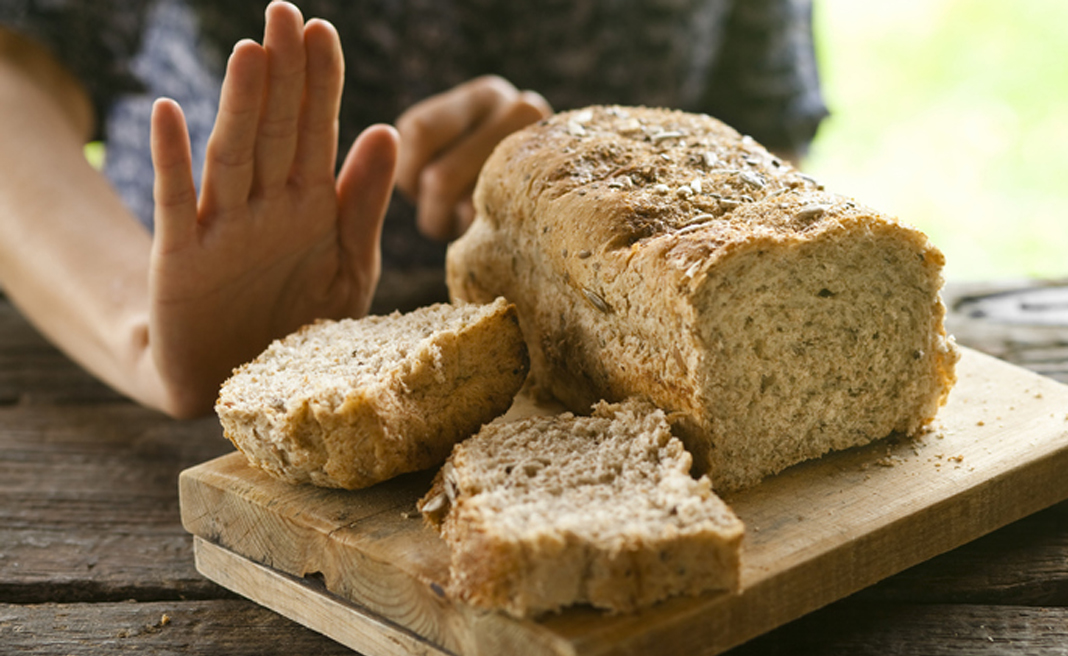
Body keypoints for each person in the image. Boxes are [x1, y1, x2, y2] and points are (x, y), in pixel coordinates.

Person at [0, 0, 826, 419]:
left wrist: (581, 179)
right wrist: (139, 328)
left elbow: (759, 142)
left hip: (591, 393)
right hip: (148, 370)